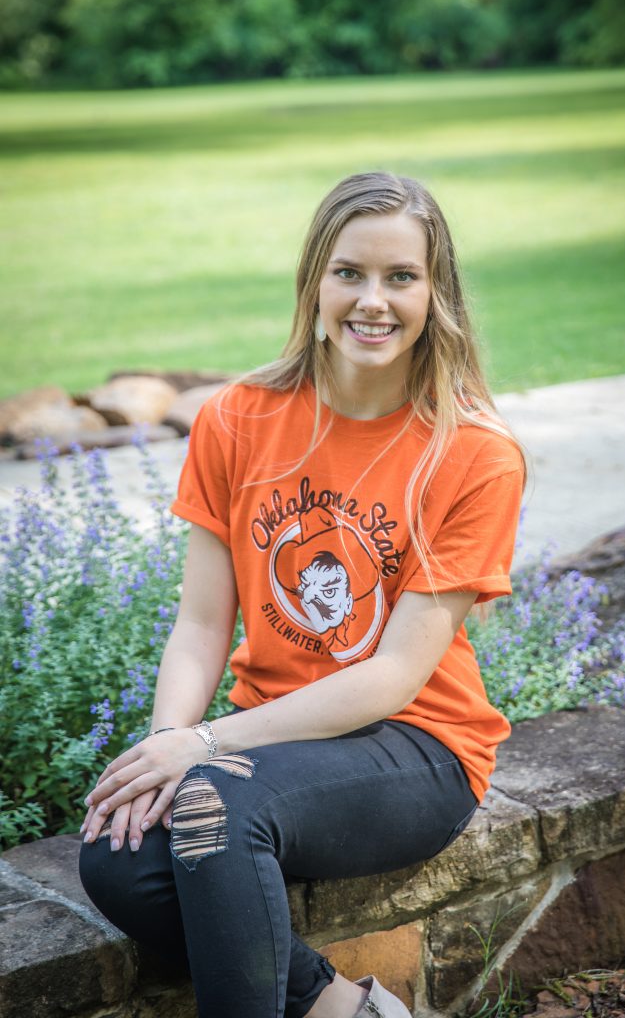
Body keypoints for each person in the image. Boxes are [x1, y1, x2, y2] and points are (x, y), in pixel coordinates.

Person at [79, 171, 525, 1018]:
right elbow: (201, 624)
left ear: (435, 293)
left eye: (401, 277)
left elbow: (392, 676)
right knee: (118, 855)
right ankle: (339, 1008)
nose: (372, 300)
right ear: (314, 280)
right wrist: (168, 743)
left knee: (214, 802)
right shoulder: (237, 417)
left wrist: (203, 746)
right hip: (273, 734)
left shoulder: (473, 452)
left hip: (417, 746)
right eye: (349, 272)